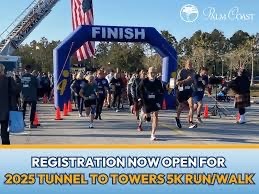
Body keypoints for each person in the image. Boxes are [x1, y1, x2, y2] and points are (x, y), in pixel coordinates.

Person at [138, 67, 164, 141]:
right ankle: (142, 118)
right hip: (146, 101)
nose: (153, 74)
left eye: (154, 73)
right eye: (151, 73)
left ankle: (153, 134)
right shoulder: (144, 81)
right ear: (148, 73)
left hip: (155, 101)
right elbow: (138, 91)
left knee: (155, 115)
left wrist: (160, 101)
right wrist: (140, 99)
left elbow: (161, 91)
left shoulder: (158, 82)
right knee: (146, 117)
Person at [175, 59, 197, 129]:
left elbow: (194, 81)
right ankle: (177, 118)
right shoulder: (182, 71)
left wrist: (195, 85)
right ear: (186, 64)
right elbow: (177, 83)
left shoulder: (193, 72)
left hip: (189, 90)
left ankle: (190, 121)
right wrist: (186, 80)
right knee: (181, 106)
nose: (190, 65)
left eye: (191, 64)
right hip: (181, 90)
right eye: (189, 64)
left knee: (191, 105)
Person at [0, 64, 18, 145]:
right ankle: (6, 153)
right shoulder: (8, 80)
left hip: (4, 111)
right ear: (3, 71)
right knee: (5, 136)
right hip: (5, 112)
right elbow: (16, 91)